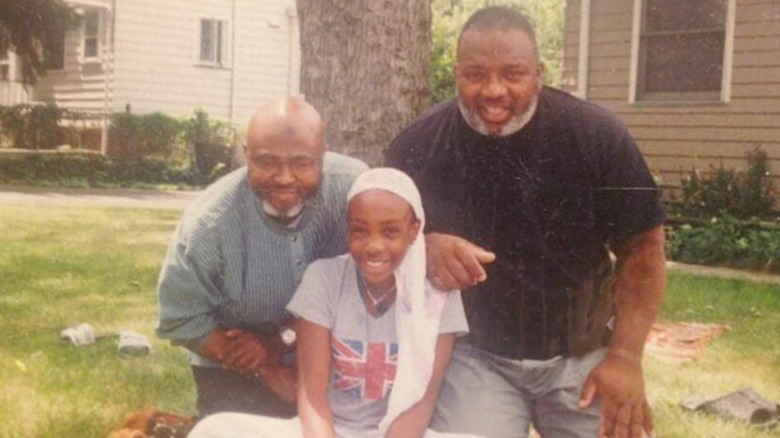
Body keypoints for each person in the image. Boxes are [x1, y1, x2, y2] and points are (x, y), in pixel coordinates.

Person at [385, 6, 667, 438]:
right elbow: (377, 241)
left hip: (584, 354)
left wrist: (626, 358)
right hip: (476, 357)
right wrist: (423, 247)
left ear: (539, 72)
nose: (493, 90)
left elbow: (644, 249)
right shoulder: (417, 146)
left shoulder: (597, 135)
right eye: (475, 74)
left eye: (513, 74)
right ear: (456, 73)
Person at [187, 168, 477, 438]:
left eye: (390, 231)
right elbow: (313, 395)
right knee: (212, 430)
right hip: (326, 429)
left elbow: (423, 399)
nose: (374, 245)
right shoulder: (324, 278)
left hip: (400, 434)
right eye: (360, 230)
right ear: (347, 229)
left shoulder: (438, 292)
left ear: (414, 230)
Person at [156, 97, 368, 419]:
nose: (284, 178)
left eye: (301, 163)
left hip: (338, 355)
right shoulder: (209, 224)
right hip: (238, 368)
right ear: (246, 155)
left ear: (322, 157)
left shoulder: (358, 191)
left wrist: (278, 343)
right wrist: (265, 367)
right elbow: (182, 318)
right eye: (267, 162)